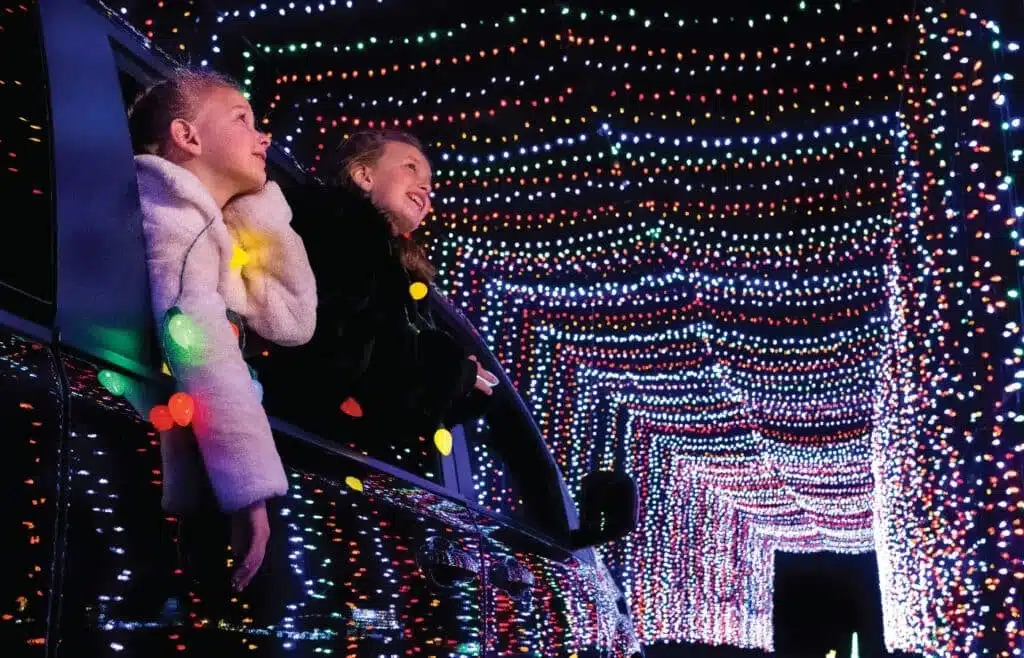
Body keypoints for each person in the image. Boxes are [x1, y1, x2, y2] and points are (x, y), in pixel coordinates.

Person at [128, 68, 317, 591]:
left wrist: (257, 211)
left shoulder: (207, 228)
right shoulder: (168, 210)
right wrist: (249, 490)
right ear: (187, 136)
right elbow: (198, 337)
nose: (265, 136)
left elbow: (291, 319)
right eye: (242, 119)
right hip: (159, 475)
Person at [265, 129, 497, 452]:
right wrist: (452, 370)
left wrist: (460, 384)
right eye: (411, 168)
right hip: (286, 445)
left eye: (429, 183)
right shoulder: (337, 230)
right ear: (364, 175)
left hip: (323, 459)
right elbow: (350, 363)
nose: (425, 187)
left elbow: (393, 412)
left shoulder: (401, 277)